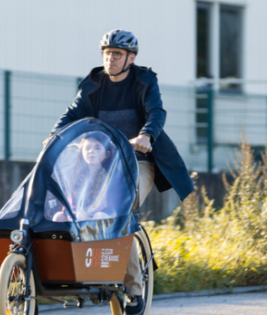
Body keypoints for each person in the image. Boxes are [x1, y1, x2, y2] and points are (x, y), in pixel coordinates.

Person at [45, 29, 194, 315]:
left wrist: (146, 135)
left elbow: (156, 112)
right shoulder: (93, 84)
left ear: (130, 58)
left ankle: (134, 290)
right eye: (106, 53)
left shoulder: (144, 81)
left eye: (116, 54)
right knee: (70, 207)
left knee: (119, 210)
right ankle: (83, 267)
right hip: (100, 164)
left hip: (137, 162)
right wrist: (54, 136)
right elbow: (72, 113)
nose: (110, 59)